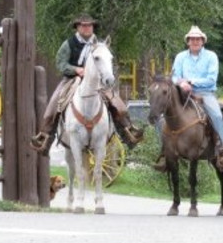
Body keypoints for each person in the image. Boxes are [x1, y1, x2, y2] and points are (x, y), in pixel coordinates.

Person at [30, 14, 142, 156]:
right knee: (53, 104)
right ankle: (44, 137)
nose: (87, 28)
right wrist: (76, 69)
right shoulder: (69, 44)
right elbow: (60, 63)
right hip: (72, 79)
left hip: (96, 81)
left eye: (89, 25)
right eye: (83, 25)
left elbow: (106, 63)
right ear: (78, 27)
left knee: (117, 103)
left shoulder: (100, 45)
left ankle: (128, 132)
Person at [151, 25, 223, 171]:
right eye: (192, 39)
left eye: (198, 39)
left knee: (217, 115)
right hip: (182, 93)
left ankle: (221, 149)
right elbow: (175, 76)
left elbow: (211, 79)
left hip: (205, 93)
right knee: (163, 117)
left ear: (203, 41)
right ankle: (165, 152)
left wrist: (191, 82)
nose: (195, 41)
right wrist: (181, 82)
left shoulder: (211, 56)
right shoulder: (180, 57)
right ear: (188, 41)